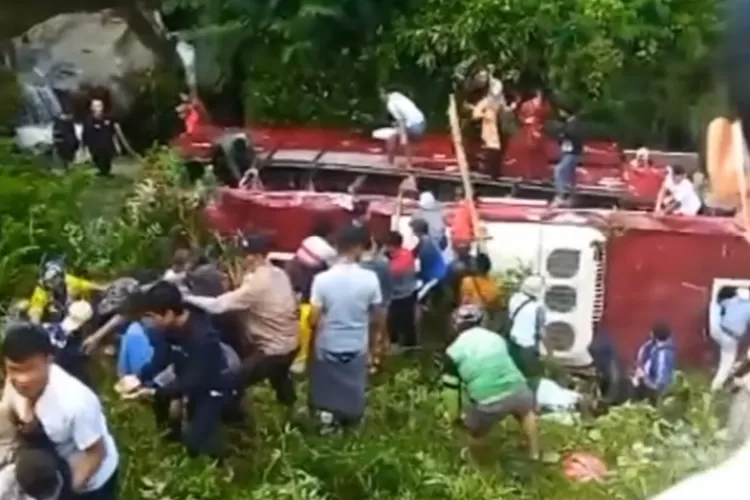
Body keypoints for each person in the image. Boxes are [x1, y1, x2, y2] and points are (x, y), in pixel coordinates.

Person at [183, 235, 300, 418]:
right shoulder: (278, 273)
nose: (245, 259)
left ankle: (237, 420)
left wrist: (186, 298)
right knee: (280, 374)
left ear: (256, 256)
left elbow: (218, 306)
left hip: (273, 350)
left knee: (233, 381)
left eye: (247, 255)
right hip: (292, 343)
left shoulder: (257, 283)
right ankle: (291, 412)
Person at [2, 323, 119, 498]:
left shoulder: (76, 402)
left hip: (90, 478)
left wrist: (66, 491)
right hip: (55, 457)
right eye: (14, 370)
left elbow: (96, 454)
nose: (21, 379)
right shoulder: (13, 384)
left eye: (30, 369)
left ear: (49, 360)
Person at [117, 281, 231, 458]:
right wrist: (138, 378)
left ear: (169, 313)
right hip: (188, 376)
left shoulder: (202, 337)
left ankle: (224, 463)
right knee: (180, 416)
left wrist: (155, 392)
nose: (151, 322)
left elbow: (194, 381)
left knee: (199, 441)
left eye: (153, 316)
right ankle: (174, 443)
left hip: (213, 382)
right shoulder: (167, 329)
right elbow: (161, 358)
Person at [307, 225, 385, 431]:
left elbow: (314, 318)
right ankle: (352, 425)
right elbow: (377, 317)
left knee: (327, 388)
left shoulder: (322, 280)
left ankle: (328, 424)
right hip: (356, 345)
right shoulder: (370, 279)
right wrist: (375, 346)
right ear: (358, 248)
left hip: (328, 345)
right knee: (353, 389)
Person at [443, 304, 540, 461]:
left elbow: (451, 390)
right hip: (519, 389)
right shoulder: (496, 338)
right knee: (526, 413)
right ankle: (534, 454)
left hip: (489, 401)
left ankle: (477, 466)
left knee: (473, 432)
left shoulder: (452, 352)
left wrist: (454, 417)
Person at [27, 260, 104, 325]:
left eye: (54, 278)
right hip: (50, 320)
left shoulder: (71, 282)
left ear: (61, 276)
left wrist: (104, 290)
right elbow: (36, 307)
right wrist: (35, 323)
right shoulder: (42, 289)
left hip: (71, 316)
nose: (51, 283)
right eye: (48, 280)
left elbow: (88, 286)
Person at [359, 238, 392, 373]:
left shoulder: (358, 266)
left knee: (365, 336)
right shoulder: (384, 263)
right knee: (378, 334)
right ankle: (376, 361)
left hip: (363, 308)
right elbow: (389, 285)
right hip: (381, 305)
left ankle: (366, 362)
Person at [709, 286, 750, 391]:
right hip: (731, 338)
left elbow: (721, 304)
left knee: (727, 357)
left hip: (721, 331)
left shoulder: (731, 300)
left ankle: (730, 374)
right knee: (726, 363)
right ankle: (716, 388)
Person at [506, 275, 546, 378]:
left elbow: (511, 317)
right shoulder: (538, 308)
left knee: (514, 373)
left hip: (513, 343)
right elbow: (541, 332)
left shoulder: (514, 298)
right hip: (528, 348)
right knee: (529, 376)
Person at [384, 231, 418, 350]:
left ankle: (408, 348)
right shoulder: (407, 253)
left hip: (403, 296)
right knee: (398, 324)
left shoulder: (402, 258)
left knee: (402, 323)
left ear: (391, 245)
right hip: (403, 294)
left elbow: (391, 271)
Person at [379, 88, 426, 167]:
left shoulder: (390, 104)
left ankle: (390, 163)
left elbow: (401, 121)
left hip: (413, 125)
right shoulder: (399, 96)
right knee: (410, 141)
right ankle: (408, 163)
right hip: (422, 122)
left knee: (392, 137)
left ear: (384, 95)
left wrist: (403, 137)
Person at [632, 322, 676, 404]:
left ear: (653, 335)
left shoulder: (662, 354)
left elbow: (660, 383)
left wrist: (642, 377)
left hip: (655, 393)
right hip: (654, 387)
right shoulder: (656, 348)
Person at [410, 218, 448, 308]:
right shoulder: (427, 240)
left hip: (434, 277)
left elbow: (418, 259)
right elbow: (413, 254)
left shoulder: (425, 242)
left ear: (417, 231)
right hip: (433, 275)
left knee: (417, 299)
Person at [552, 107, 583, 206]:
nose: (560, 113)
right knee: (568, 174)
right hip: (568, 151)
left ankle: (562, 195)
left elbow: (572, 135)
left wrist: (563, 134)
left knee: (559, 171)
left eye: (562, 111)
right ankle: (569, 197)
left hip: (572, 152)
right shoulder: (569, 123)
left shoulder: (574, 123)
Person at [81, 98, 120, 177]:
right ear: (91, 108)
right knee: (98, 158)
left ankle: (106, 171)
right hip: (95, 145)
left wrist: (117, 144)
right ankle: (102, 171)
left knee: (107, 158)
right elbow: (85, 134)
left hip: (107, 144)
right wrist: (85, 146)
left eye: (99, 106)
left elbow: (114, 132)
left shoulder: (108, 118)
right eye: (95, 106)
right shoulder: (88, 120)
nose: (97, 108)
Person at [458, 253, 503, 318]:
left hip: (475, 317)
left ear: (476, 267)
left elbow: (464, 301)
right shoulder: (493, 282)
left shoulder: (467, 281)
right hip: (490, 317)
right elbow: (499, 304)